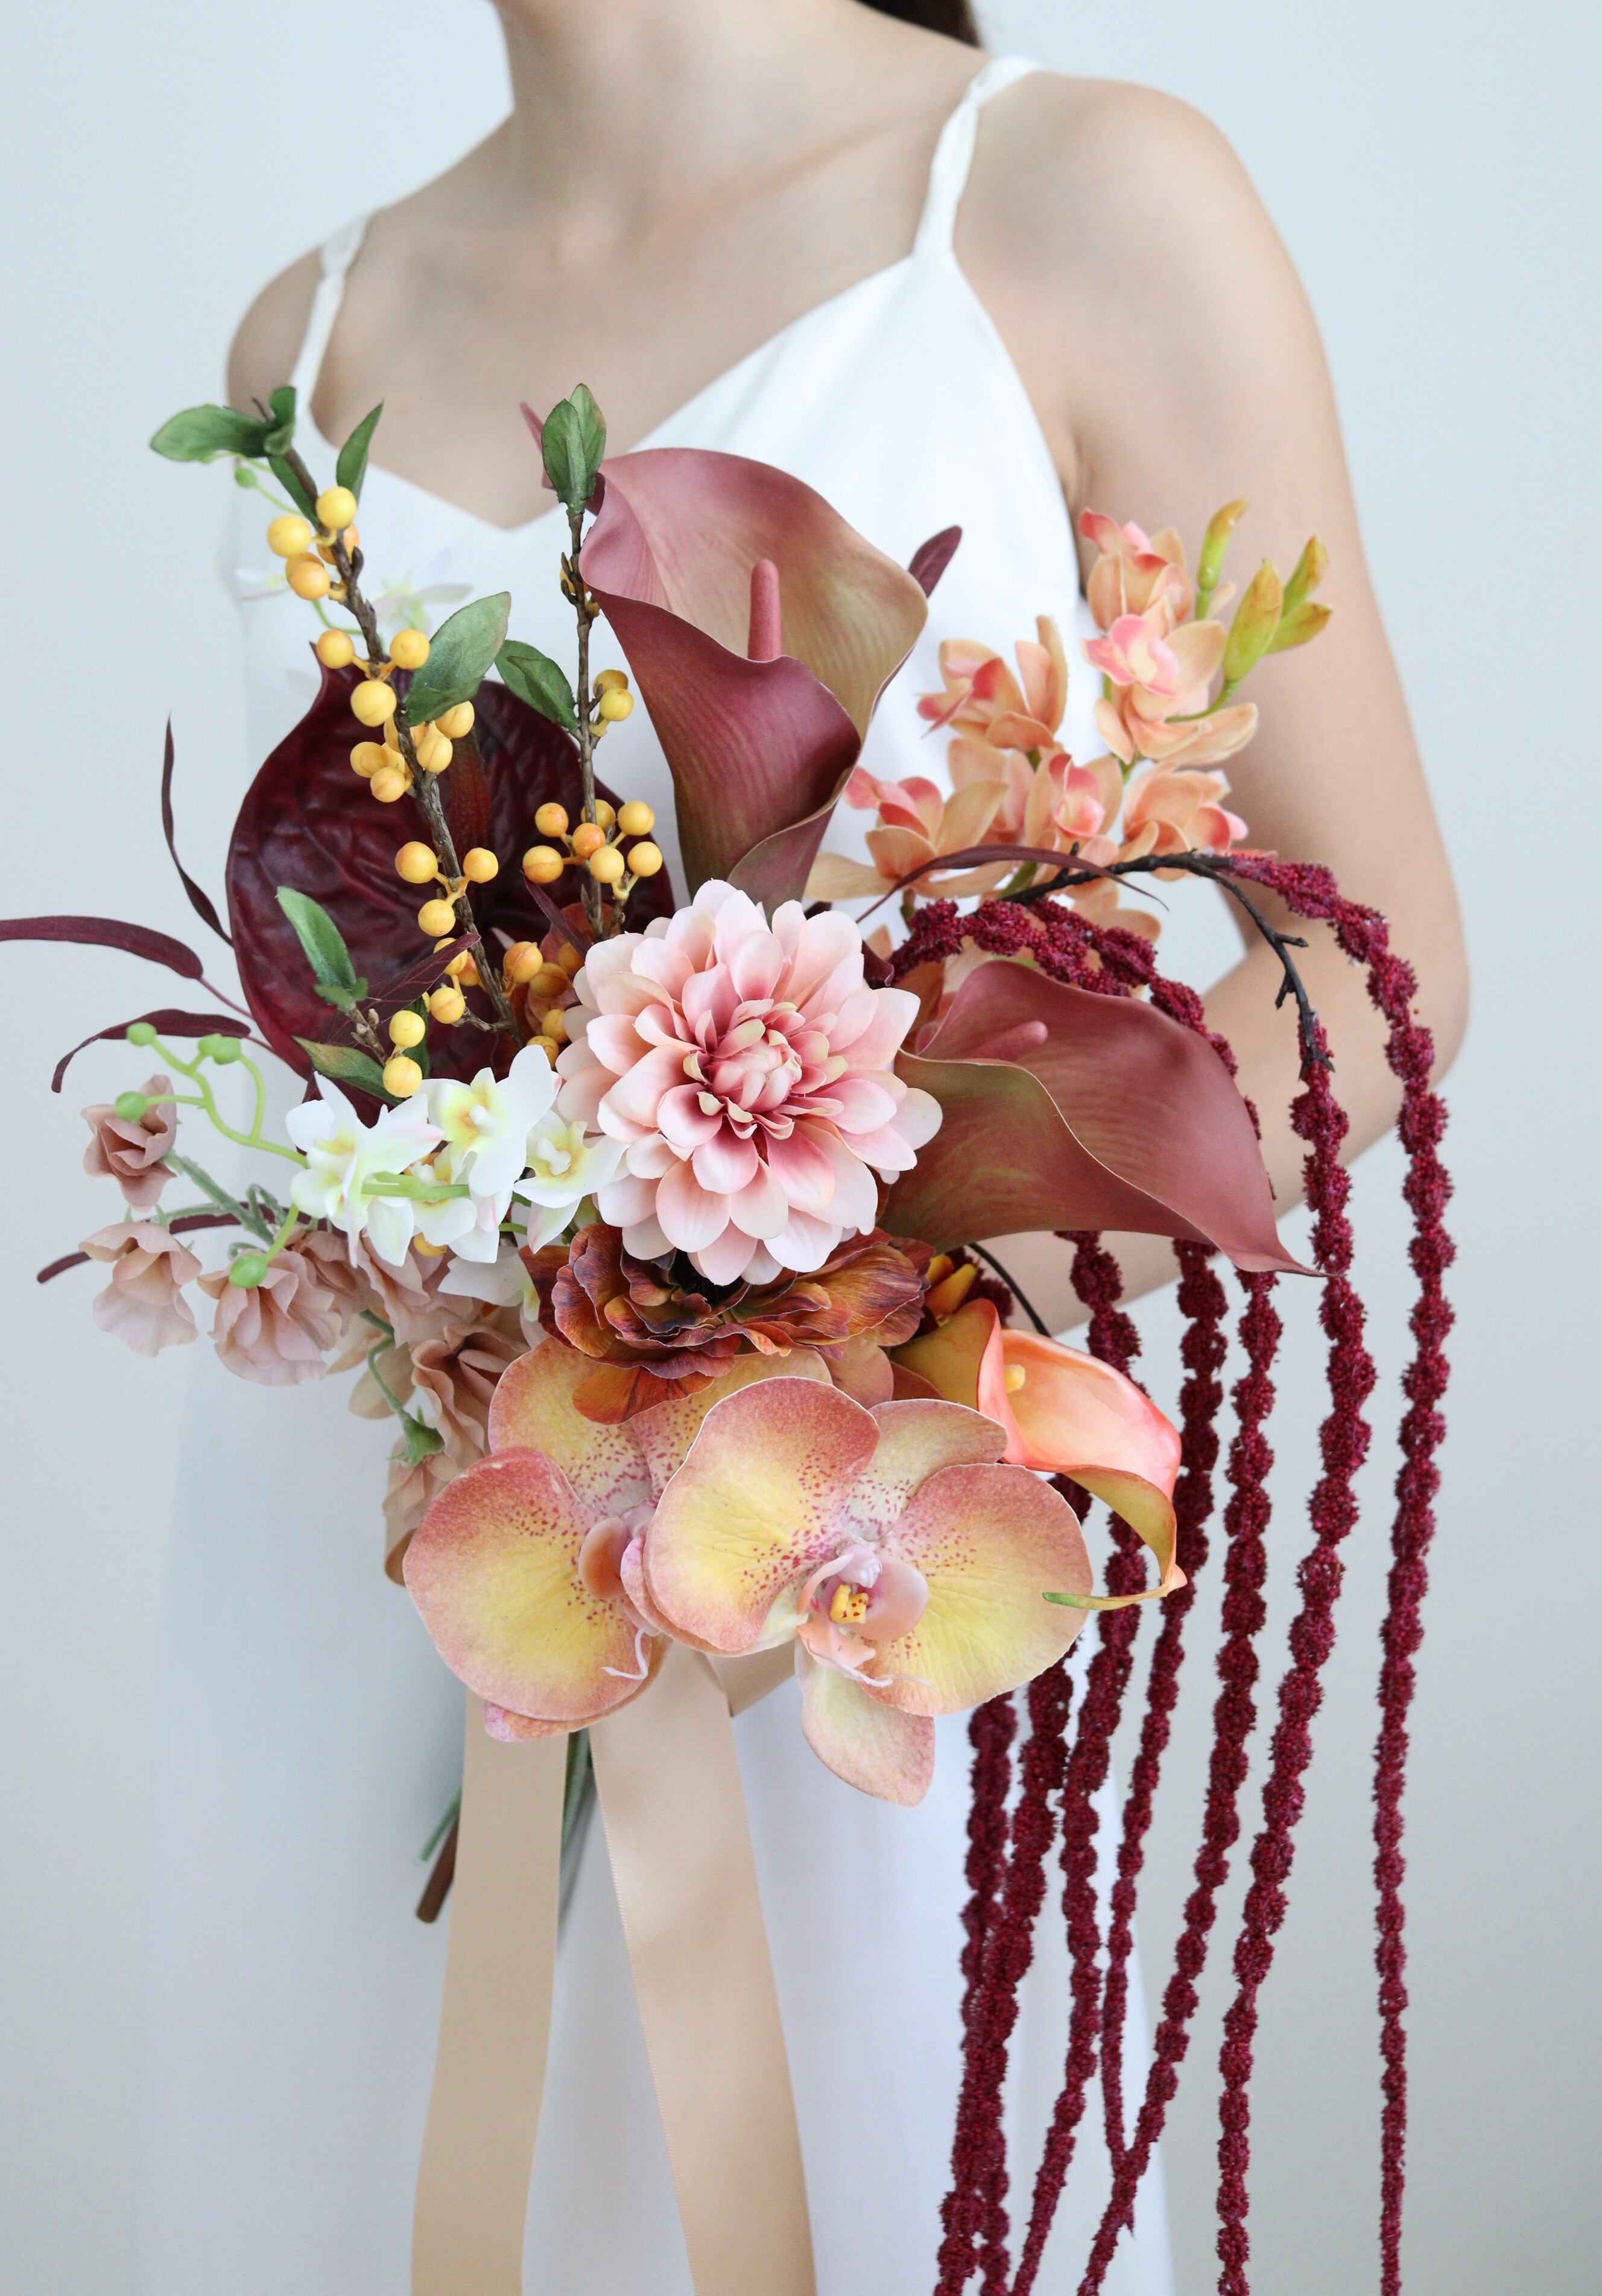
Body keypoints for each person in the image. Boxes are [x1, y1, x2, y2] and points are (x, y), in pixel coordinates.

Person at [133, 5, 1467, 2292]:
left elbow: (1376, 957)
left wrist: (868, 1335)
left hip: (837, 1549)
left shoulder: (1078, 199)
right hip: (366, 1561)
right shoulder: (306, 334)